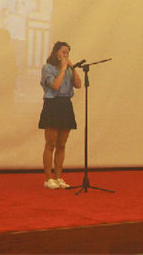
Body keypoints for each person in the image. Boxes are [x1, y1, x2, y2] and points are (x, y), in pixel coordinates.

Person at [39, 41, 82, 189]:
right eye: (63, 52)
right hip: (52, 105)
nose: (66, 55)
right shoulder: (47, 68)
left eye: (67, 53)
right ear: (56, 52)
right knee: (50, 144)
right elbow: (55, 85)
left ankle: (58, 177)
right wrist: (63, 69)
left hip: (65, 105)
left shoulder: (69, 69)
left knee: (62, 145)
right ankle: (48, 179)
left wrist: (72, 68)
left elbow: (78, 84)